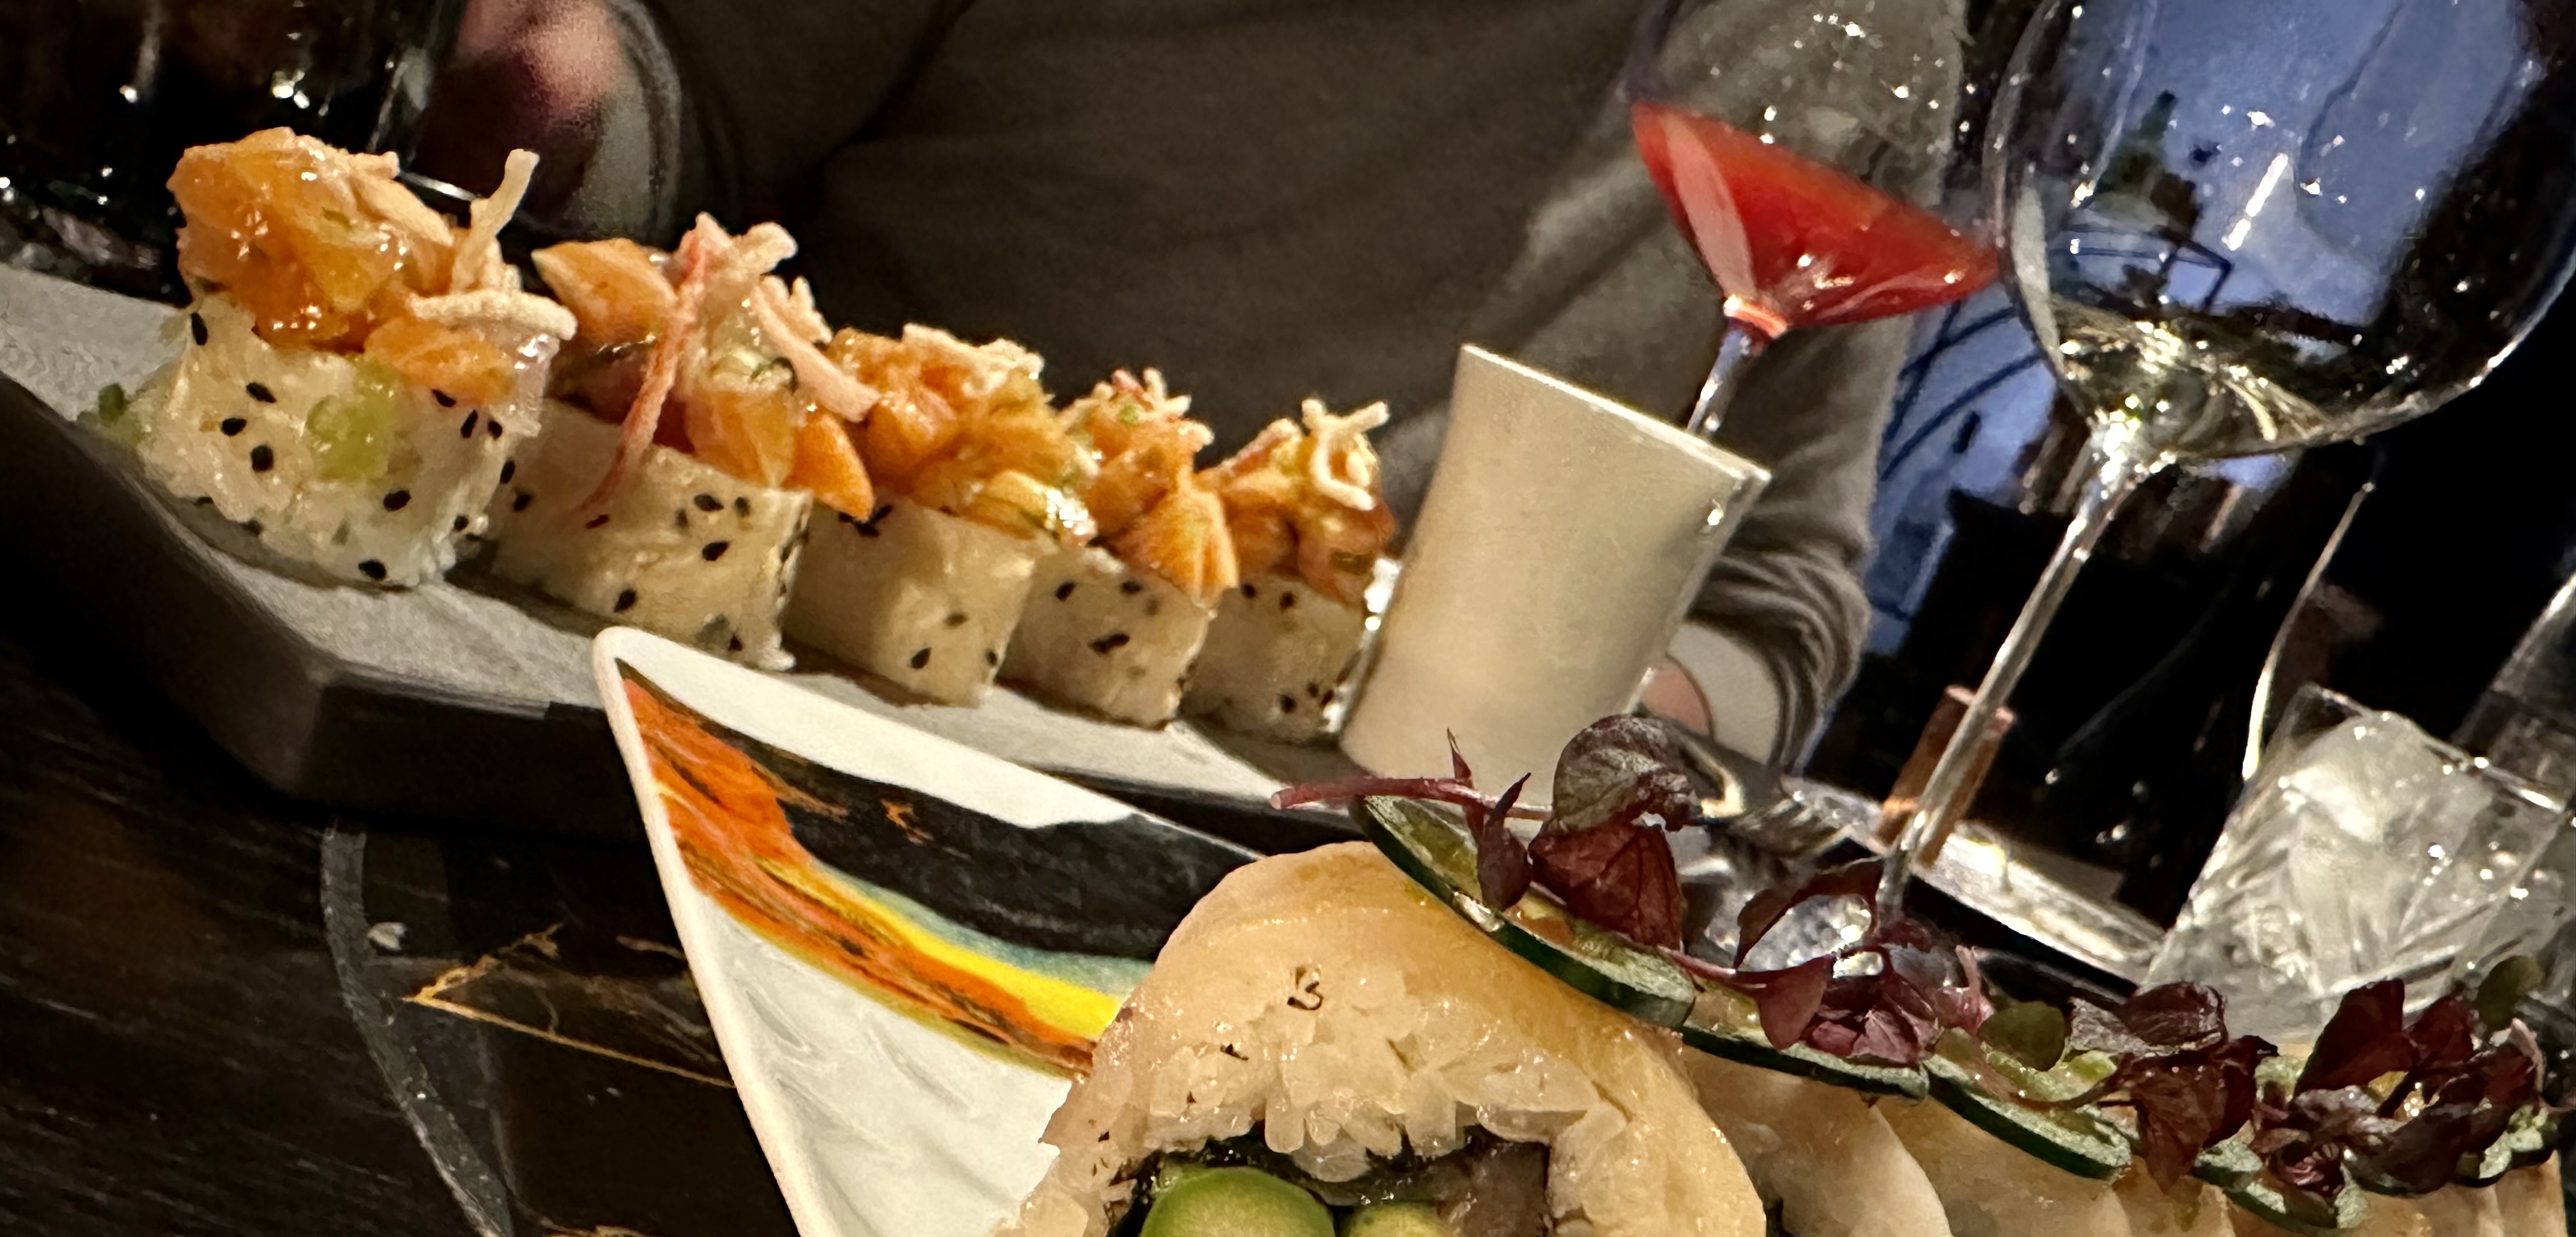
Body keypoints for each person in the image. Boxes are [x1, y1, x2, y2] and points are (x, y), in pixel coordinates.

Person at [419, 0, 1929, 765]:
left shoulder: (1867, 43)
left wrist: (1517, 712)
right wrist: (540, 88)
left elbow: (1776, 608)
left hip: (1326, 898)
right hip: (729, 693)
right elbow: (679, 98)